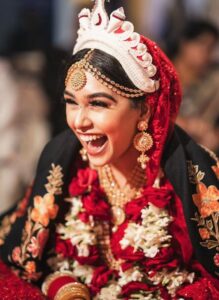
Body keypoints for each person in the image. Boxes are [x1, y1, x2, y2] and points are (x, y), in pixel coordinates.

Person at [0, 1, 219, 299]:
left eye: (98, 104)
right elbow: (21, 262)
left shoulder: (188, 177)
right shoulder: (63, 166)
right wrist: (63, 287)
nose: (79, 121)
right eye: (71, 101)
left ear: (143, 110)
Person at [168, 20, 219, 154]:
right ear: (184, 43)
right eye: (201, 44)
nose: (206, 52)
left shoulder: (212, 82)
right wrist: (189, 125)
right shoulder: (162, 74)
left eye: (211, 47)